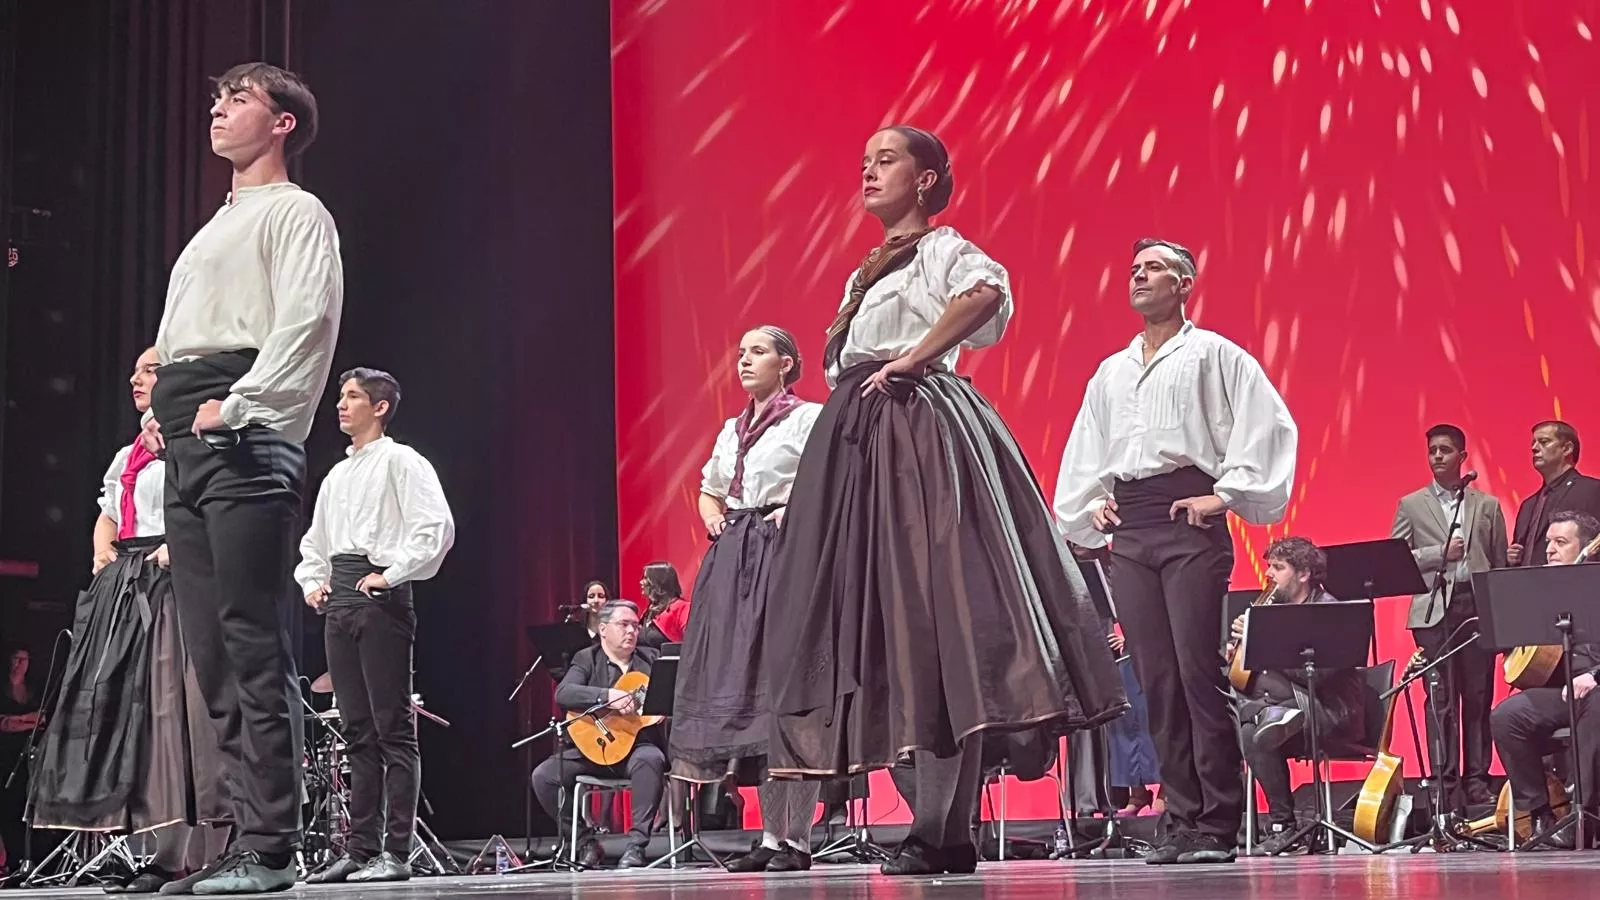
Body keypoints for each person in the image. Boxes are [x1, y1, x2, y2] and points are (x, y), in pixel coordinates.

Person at [765, 124, 1126, 877]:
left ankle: (940, 826)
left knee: (933, 628)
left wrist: (912, 357)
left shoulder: (940, 247)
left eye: (886, 159)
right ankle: (940, 830)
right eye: (863, 160)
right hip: (865, 443)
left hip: (916, 437)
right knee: (891, 635)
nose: (867, 170)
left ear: (926, 179)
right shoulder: (867, 270)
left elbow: (987, 292)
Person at [146, 61, 342, 895]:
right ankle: (240, 836)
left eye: (240, 98)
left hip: (243, 434)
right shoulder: (214, 226)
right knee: (212, 652)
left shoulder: (296, 212)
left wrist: (241, 404)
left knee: (251, 639)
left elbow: (306, 320)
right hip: (193, 430)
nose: (219, 108)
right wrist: (164, 398)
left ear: (284, 122)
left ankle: (270, 846)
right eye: (216, 97)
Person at [1054, 237, 1298, 865]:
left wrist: (1224, 496)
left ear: (1184, 282)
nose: (1138, 276)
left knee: (1197, 672)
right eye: (1133, 268)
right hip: (1131, 528)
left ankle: (1216, 822)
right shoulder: (1112, 370)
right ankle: (1180, 817)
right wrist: (1092, 504)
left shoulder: (1215, 354)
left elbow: (1269, 424)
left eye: (1153, 268)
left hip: (1188, 520)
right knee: (1154, 681)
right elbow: (1089, 447)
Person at [28, 348, 231, 894]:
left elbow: (214, 512)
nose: (135, 378)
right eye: (137, 371)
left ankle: (216, 853)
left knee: (187, 714)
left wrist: (175, 548)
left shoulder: (196, 444)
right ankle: (168, 855)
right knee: (142, 719)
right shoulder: (131, 455)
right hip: (128, 583)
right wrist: (102, 550)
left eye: (150, 370)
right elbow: (110, 511)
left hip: (180, 582)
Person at [671, 326, 823, 873]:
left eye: (757, 351)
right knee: (748, 692)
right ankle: (769, 836)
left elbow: (825, 478)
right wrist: (712, 516)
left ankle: (796, 839)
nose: (744, 361)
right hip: (737, 557)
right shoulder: (732, 429)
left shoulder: (808, 418)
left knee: (785, 691)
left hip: (783, 553)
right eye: (739, 353)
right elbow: (710, 486)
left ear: (786, 362)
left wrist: (793, 510)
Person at [297, 369, 454, 884]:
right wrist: (314, 582)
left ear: (381, 407)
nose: (341, 405)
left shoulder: (401, 461)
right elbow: (315, 542)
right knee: (356, 729)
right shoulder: (336, 475)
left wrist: (390, 574)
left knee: (393, 729)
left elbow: (435, 528)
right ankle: (360, 849)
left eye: (353, 397)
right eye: (341, 397)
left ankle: (396, 851)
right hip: (340, 598)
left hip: (378, 597)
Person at [1390, 423, 1507, 809]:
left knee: (1477, 696)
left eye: (1445, 450)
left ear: (1462, 457)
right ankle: (1442, 779)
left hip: (1474, 607)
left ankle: (1477, 778)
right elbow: (1397, 556)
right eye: (1432, 451)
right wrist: (1437, 552)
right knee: (1438, 697)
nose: (1437, 456)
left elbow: (1498, 562)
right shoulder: (1411, 504)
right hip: (1433, 610)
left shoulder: (1486, 505)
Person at [1228, 538, 1366, 856]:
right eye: (1269, 566)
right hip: (1283, 711)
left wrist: (1263, 645)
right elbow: (1241, 674)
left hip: (1329, 711)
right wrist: (1238, 648)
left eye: (1278, 567)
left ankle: (1283, 824)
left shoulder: (1329, 611)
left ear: (1303, 574)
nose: (1269, 574)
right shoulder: (1270, 610)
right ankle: (1281, 826)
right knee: (1251, 731)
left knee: (1256, 723)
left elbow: (1319, 675)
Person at [1489, 510, 1600, 849]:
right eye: (1548, 542)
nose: (1549, 549)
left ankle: (1586, 816)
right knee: (1508, 716)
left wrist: (1595, 675)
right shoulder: (1543, 592)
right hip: (1564, 693)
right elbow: (1518, 648)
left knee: (1596, 703)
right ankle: (1540, 815)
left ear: (1586, 549)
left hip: (1596, 690)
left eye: (1561, 542)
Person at [530, 601, 667, 869]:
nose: (631, 631)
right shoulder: (586, 658)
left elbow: (673, 696)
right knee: (544, 777)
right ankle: (585, 842)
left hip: (637, 748)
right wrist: (607, 696)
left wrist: (664, 706)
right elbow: (564, 693)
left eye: (635, 626)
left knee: (651, 760)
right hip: (592, 749)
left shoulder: (652, 659)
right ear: (603, 629)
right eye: (623, 625)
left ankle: (637, 847)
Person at [1509, 421, 1600, 567]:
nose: (1534, 448)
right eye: (1533, 443)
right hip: (1527, 586)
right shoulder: (1528, 504)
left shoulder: (1592, 491)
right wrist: (1513, 557)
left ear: (1567, 449)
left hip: (1575, 584)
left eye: (1544, 442)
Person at [0, 648, 41, 877]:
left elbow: (43, 717)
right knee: (7, 811)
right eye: (14, 659)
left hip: (30, 757)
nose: (17, 664)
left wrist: (17, 721)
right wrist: (28, 720)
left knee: (26, 810)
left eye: (22, 660)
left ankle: (31, 860)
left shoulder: (34, 689)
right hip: (5, 759)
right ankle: (11, 862)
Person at [637, 562, 690, 650]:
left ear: (658, 582)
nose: (641, 582)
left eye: (645, 578)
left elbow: (691, 644)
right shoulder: (648, 611)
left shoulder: (682, 608)